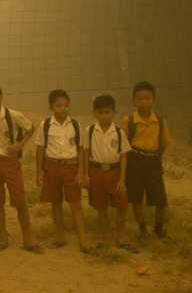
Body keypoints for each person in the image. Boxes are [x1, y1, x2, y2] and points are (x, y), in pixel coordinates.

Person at [0, 83, 43, 254]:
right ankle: (2, 238)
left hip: (10, 162)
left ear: (0, 97)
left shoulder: (13, 115)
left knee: (20, 200)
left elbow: (31, 127)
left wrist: (19, 145)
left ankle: (27, 239)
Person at [34, 89, 89, 253]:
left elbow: (81, 150)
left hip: (71, 168)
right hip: (51, 167)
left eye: (66, 105)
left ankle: (83, 240)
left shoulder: (75, 125)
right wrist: (39, 171)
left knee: (75, 204)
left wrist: (81, 172)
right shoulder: (45, 125)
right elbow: (40, 149)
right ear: (51, 107)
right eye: (59, 105)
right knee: (55, 202)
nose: (63, 108)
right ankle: (60, 237)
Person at [83, 95, 138, 253]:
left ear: (113, 112)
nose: (105, 116)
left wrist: (122, 179)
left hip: (114, 173)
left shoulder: (119, 132)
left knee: (121, 204)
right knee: (101, 207)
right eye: (101, 113)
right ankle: (105, 239)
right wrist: (86, 174)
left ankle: (120, 238)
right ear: (95, 113)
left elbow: (123, 156)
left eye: (108, 112)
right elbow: (86, 153)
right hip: (96, 172)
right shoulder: (90, 130)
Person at [123, 81, 172, 239]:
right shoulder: (128, 121)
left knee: (160, 199)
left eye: (147, 98)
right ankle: (142, 228)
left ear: (153, 100)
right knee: (136, 197)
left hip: (153, 162)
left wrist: (154, 156)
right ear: (133, 101)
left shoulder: (160, 121)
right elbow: (123, 144)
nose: (143, 102)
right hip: (134, 161)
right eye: (139, 98)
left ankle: (158, 229)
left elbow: (164, 144)